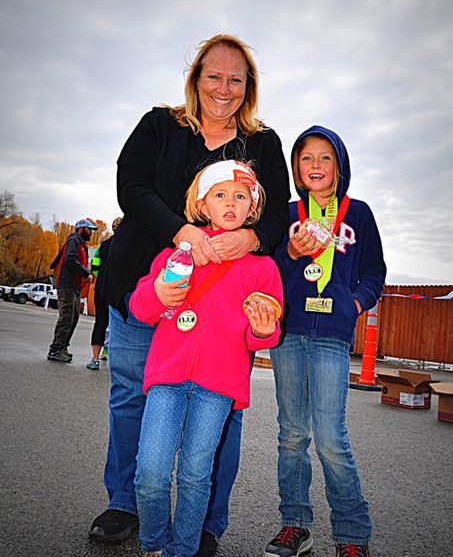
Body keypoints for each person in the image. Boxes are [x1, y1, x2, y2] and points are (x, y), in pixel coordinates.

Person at [89, 33, 290, 556]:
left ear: (249, 88)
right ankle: (127, 502)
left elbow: (275, 216)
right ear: (195, 78)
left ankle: (203, 523)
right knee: (134, 395)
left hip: (223, 306)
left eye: (236, 79)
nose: (223, 88)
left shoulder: (262, 143)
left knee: (220, 414)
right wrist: (182, 232)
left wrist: (251, 237)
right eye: (213, 76)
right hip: (148, 279)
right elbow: (130, 186)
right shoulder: (159, 123)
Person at [130, 159, 284, 557]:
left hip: (217, 387)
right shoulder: (174, 256)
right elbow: (141, 307)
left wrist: (264, 330)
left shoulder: (263, 268)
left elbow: (261, 334)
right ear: (202, 205)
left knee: (197, 475)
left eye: (240, 196)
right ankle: (152, 543)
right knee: (150, 472)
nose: (230, 203)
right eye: (220, 195)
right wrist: (158, 295)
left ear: (253, 208)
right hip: (167, 378)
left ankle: (181, 551)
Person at [264, 126, 386, 557]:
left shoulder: (359, 214)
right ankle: (295, 525)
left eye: (325, 157)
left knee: (331, 437)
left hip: (333, 335)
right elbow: (268, 272)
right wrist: (293, 254)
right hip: (290, 334)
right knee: (292, 434)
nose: (315, 165)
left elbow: (375, 273)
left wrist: (354, 304)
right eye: (306, 158)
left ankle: (352, 535)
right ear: (297, 168)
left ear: (339, 165)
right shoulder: (286, 214)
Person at [47, 218, 97, 363]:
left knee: (74, 318)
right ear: (81, 229)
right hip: (66, 284)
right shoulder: (74, 240)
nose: (91, 233)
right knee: (66, 317)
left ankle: (63, 347)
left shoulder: (82, 244)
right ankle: (55, 349)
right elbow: (70, 260)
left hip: (75, 286)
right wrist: (85, 273)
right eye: (89, 229)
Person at [86, 217, 123, 370]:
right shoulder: (128, 246)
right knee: (119, 324)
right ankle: (110, 354)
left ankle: (95, 359)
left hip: (101, 288)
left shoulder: (104, 245)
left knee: (100, 323)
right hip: (119, 289)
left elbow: (94, 266)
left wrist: (99, 275)